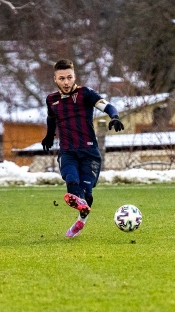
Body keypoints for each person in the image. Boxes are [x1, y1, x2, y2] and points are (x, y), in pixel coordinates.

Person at [41, 59, 124, 237]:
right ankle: (78, 200)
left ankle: (81, 220)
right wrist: (49, 135)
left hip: (89, 153)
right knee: (71, 181)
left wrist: (114, 116)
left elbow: (107, 105)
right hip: (68, 151)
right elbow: (51, 118)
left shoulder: (85, 94)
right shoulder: (51, 100)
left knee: (87, 194)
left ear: (74, 77)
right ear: (55, 79)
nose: (66, 82)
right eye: (62, 78)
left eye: (69, 77)